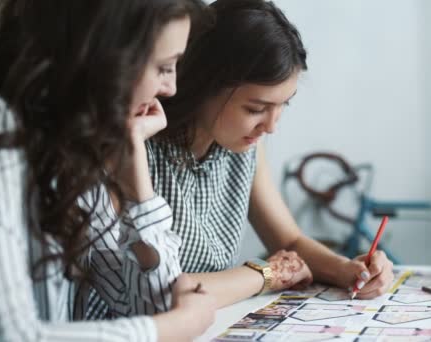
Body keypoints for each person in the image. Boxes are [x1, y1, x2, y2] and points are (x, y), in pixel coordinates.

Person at [0, 0, 216, 341]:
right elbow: (14, 336)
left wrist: (137, 177)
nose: (170, 88)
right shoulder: (0, 130)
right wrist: (179, 325)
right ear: (107, 59)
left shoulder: (72, 143)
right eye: (163, 67)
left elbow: (144, 307)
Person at [150, 0, 395, 308]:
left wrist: (348, 270)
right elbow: (160, 290)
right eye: (256, 109)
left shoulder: (243, 148)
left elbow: (289, 241)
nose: (270, 126)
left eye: (284, 105)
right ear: (204, 85)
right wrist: (266, 273)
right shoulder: (143, 148)